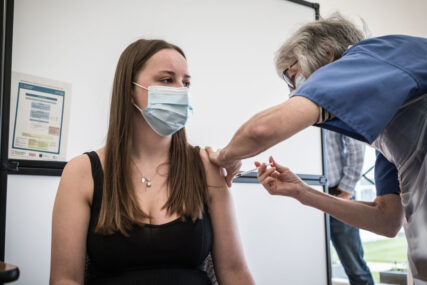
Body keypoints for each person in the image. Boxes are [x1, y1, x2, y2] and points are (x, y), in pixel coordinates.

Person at [206, 14, 427, 282]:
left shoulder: (372, 55)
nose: (291, 93)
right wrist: (302, 192)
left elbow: (262, 129)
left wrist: (224, 157)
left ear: (327, 54)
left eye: (292, 76)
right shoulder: (388, 121)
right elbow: (387, 220)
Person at [50, 39, 254, 285]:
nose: (180, 90)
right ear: (129, 89)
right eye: (167, 80)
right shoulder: (82, 172)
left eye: (186, 83)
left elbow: (234, 271)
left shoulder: (205, 167)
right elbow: (65, 279)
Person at [325, 130, 374, 285]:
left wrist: (347, 188)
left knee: (356, 269)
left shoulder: (332, 105)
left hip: (337, 195)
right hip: (304, 194)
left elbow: (355, 142)